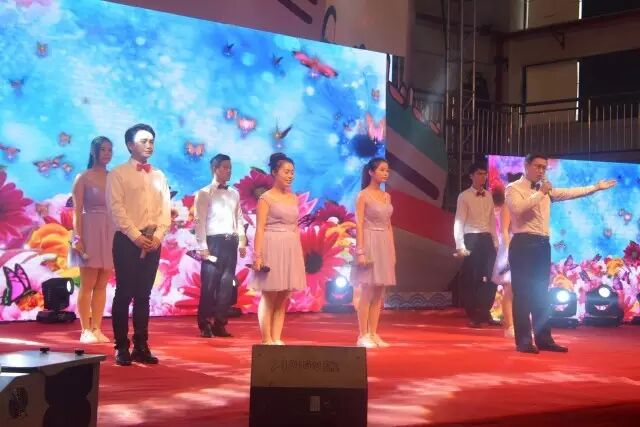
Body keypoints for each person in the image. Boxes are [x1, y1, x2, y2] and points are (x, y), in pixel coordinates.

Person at [505, 153, 616, 354]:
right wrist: (540, 193)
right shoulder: (513, 188)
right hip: (523, 244)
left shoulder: (547, 190)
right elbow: (518, 209)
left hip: (542, 244)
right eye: (538, 166)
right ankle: (524, 342)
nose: (541, 171)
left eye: (544, 167)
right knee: (523, 294)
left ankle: (544, 339)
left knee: (541, 293)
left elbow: (570, 193)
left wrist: (595, 187)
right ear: (526, 165)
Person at [106, 123, 171, 365]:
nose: (149, 145)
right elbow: (116, 209)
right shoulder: (118, 174)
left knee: (144, 295)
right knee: (124, 293)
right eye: (144, 141)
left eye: (152, 141)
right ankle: (121, 346)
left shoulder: (159, 175)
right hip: (127, 240)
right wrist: (135, 236)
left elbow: (165, 210)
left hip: (153, 241)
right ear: (130, 145)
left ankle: (141, 345)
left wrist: (158, 236)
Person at [249, 153, 306, 345]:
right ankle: (267, 340)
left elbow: (295, 226)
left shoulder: (293, 198)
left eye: (292, 172)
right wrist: (258, 256)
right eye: (286, 172)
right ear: (274, 172)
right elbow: (260, 228)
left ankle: (277, 338)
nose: (290, 176)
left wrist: (297, 252)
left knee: (283, 297)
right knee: (269, 296)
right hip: (272, 246)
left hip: (290, 246)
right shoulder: (266, 198)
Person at [194, 154, 246, 338]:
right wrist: (202, 246)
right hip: (213, 242)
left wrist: (242, 240)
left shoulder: (234, 193)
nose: (228, 170)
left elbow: (239, 218)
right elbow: (199, 222)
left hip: (230, 241)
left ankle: (220, 323)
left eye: (230, 167)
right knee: (209, 285)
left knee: (226, 285)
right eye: (224, 167)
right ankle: (204, 323)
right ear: (214, 169)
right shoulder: (204, 193)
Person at [69, 136, 115, 344]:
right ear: (93, 151)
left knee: (102, 284)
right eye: (103, 149)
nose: (107, 153)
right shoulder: (83, 178)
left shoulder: (114, 178)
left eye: (109, 150)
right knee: (87, 284)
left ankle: (97, 327)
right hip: (89, 231)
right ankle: (85, 329)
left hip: (110, 231)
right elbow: (77, 211)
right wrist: (77, 238)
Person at [352, 157, 396, 348]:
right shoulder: (363, 195)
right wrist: (360, 251)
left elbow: (389, 225)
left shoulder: (386, 196)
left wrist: (392, 251)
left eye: (387, 170)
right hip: (369, 241)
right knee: (368, 290)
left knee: (379, 291)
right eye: (382, 170)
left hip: (384, 242)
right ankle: (363, 334)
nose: (385, 173)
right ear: (371, 172)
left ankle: (373, 332)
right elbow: (359, 224)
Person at [453, 162, 499, 328]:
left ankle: (485, 312)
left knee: (491, 276)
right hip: (471, 237)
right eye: (479, 174)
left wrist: (495, 241)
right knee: (472, 277)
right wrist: (460, 245)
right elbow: (459, 220)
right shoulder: (464, 196)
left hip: (487, 238)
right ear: (471, 176)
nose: (483, 177)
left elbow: (492, 220)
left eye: (485, 174)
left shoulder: (489, 195)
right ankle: (473, 314)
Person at [490, 173, 523, 338]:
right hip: (510, 248)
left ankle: (519, 324)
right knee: (509, 288)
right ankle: (509, 326)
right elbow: (503, 230)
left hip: (523, 248)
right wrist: (509, 252)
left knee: (519, 290)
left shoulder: (523, 204)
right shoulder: (507, 205)